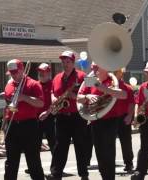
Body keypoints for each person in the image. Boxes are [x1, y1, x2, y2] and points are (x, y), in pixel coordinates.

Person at [77, 64, 127, 180]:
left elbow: (123, 95)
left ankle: (109, 177)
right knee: (99, 152)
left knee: (108, 152)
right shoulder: (91, 80)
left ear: (104, 68)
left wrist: (104, 88)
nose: (93, 70)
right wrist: (87, 96)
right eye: (92, 67)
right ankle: (105, 176)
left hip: (110, 121)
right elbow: (78, 97)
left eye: (96, 68)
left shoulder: (111, 80)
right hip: (95, 120)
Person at [47, 51, 89, 180]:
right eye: (63, 62)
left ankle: (83, 174)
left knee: (80, 146)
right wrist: (53, 99)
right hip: (61, 116)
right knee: (60, 146)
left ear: (73, 62)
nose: (65, 64)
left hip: (77, 116)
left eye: (68, 62)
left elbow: (88, 96)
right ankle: (56, 173)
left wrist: (74, 96)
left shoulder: (82, 76)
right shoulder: (57, 77)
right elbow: (52, 92)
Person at [3, 59, 45, 180]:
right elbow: (8, 105)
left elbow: (40, 103)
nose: (13, 75)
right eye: (11, 72)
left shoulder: (33, 84)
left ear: (22, 70)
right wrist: (5, 125)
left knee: (33, 161)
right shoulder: (9, 84)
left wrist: (24, 97)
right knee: (11, 161)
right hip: (12, 126)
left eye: (15, 72)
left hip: (29, 125)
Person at [114, 68, 135, 173]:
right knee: (108, 142)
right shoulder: (108, 86)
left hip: (123, 117)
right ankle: (108, 163)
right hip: (111, 118)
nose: (114, 73)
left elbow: (132, 103)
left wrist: (130, 115)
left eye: (117, 72)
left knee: (126, 142)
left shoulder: (127, 88)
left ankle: (129, 163)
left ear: (121, 74)